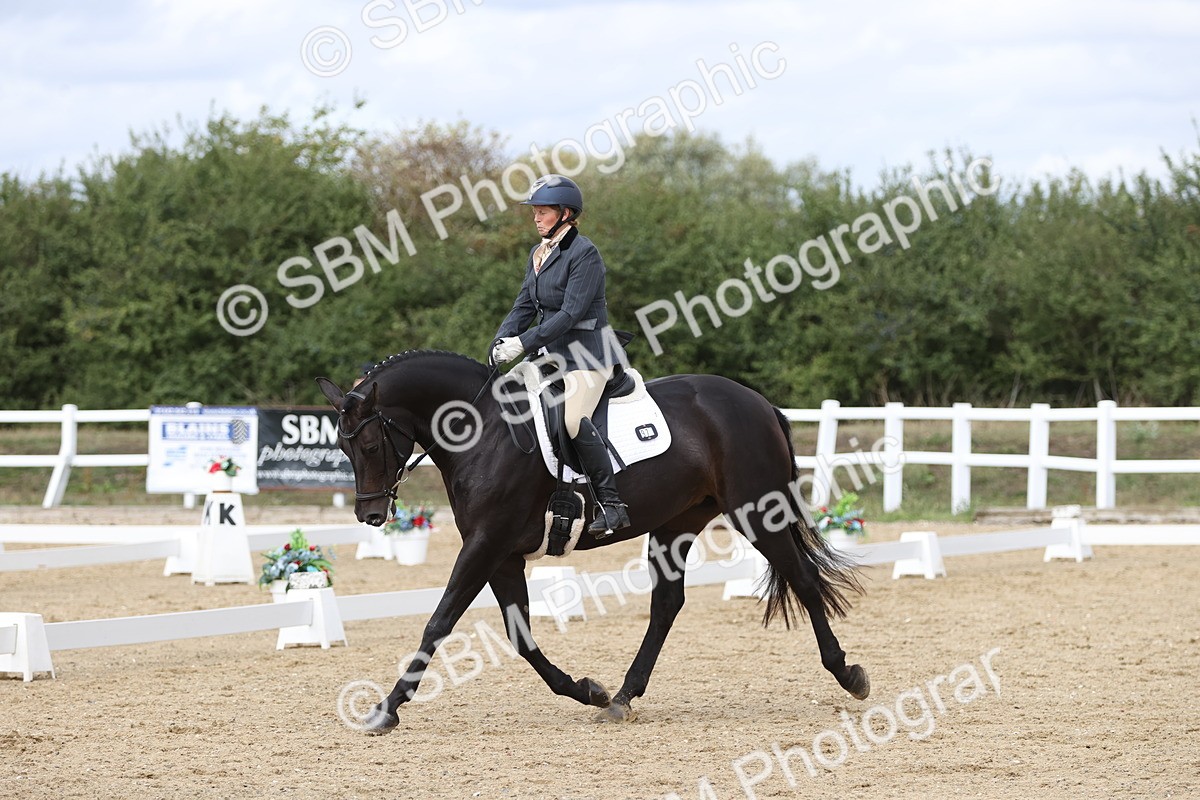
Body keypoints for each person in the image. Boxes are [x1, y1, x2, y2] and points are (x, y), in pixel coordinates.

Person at [490, 174, 631, 535]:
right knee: (509, 402)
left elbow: (570, 314)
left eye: (543, 211)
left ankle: (612, 505)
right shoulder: (538, 254)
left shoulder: (584, 253)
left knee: (572, 421)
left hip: (588, 356)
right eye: (534, 211)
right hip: (551, 355)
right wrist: (501, 340)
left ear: (566, 213)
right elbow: (524, 306)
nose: (536, 218)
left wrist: (523, 344)